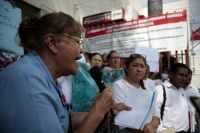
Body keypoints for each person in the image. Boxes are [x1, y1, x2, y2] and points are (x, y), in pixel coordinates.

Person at [0, 12, 131, 133]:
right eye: (77, 42)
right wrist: (97, 111)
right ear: (52, 43)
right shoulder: (28, 80)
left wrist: (105, 111)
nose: (81, 52)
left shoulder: (45, 77)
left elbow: (62, 120)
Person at [112, 54, 160, 133]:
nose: (139, 69)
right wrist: (145, 131)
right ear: (126, 68)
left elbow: (156, 110)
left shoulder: (147, 87)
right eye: (135, 65)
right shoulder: (119, 85)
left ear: (145, 70)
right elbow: (122, 118)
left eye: (142, 66)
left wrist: (153, 125)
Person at [154, 63, 189, 133]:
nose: (183, 78)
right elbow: (154, 112)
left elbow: (187, 109)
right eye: (181, 75)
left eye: (186, 76)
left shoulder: (182, 90)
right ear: (171, 74)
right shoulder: (161, 89)